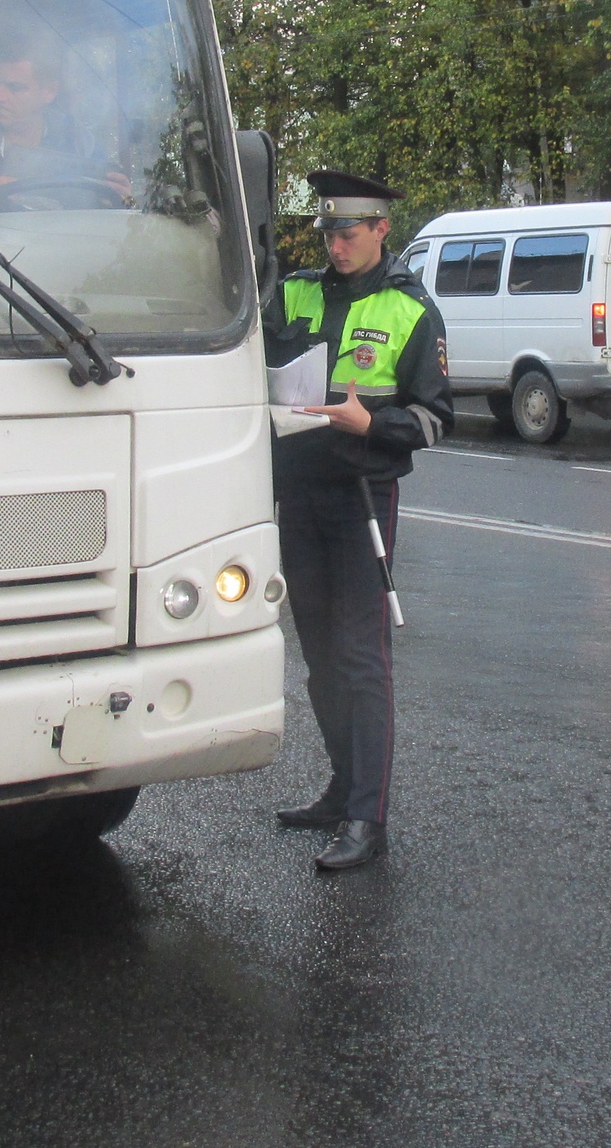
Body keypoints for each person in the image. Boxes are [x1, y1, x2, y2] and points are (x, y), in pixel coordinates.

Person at [265, 170, 453, 871]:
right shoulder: (294, 291)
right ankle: (341, 788)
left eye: (349, 233)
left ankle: (367, 818)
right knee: (317, 654)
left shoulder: (411, 310)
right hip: (298, 494)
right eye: (328, 233)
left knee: (361, 657)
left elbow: (436, 418)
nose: (336, 245)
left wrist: (371, 420)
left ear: (381, 229)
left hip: (361, 495)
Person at [0, 30, 124, 207]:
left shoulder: (79, 142)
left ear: (49, 91)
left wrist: (116, 199)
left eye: (15, 88)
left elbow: (103, 207)